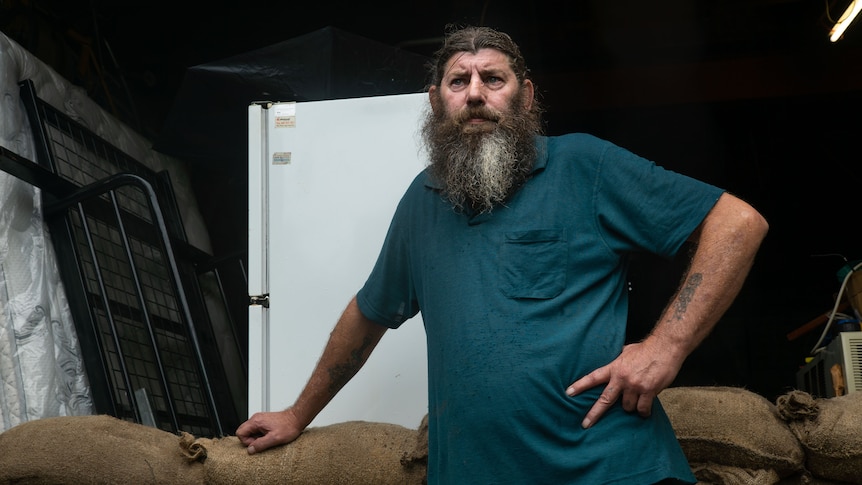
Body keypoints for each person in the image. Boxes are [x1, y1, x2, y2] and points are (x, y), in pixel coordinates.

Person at [236, 25, 769, 484]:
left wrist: (665, 348)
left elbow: (737, 223)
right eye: (458, 80)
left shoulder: (583, 165)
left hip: (609, 468)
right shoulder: (423, 200)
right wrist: (296, 414)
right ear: (435, 101)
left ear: (526, 96)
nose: (474, 93)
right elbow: (368, 313)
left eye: (493, 79)